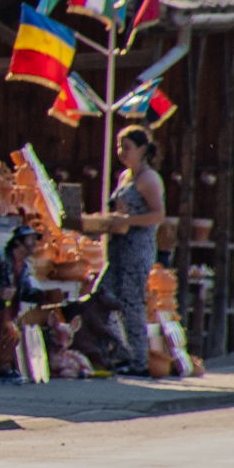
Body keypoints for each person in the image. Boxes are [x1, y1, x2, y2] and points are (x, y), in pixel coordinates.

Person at [87, 125, 167, 376]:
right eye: (119, 146)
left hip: (137, 250)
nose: (121, 152)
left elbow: (158, 215)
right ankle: (117, 352)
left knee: (131, 303)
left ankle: (139, 361)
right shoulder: (125, 176)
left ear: (142, 149)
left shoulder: (149, 179)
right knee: (102, 296)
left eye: (127, 147)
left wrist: (128, 220)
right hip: (116, 249)